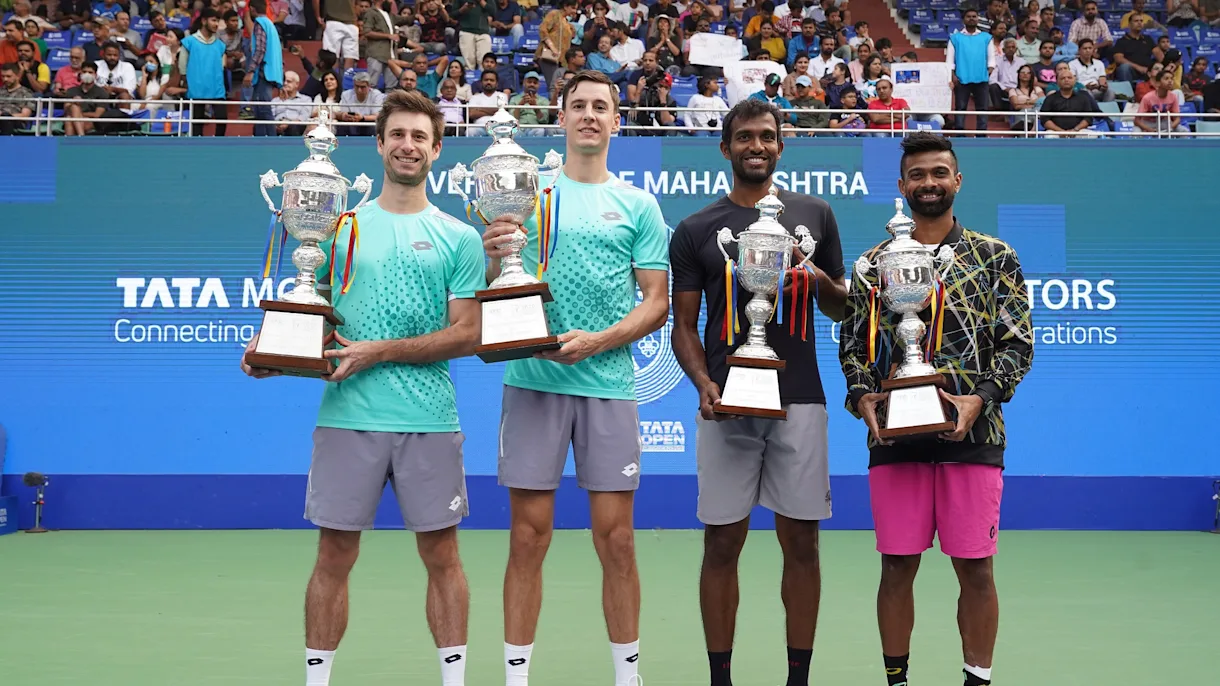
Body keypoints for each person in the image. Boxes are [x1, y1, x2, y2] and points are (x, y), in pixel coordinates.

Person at [240, 90, 486, 686]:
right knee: (333, 557)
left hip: (428, 418)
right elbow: (310, 313)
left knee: (443, 558)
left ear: (436, 148)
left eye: (419, 137)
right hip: (349, 417)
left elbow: (470, 334)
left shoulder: (460, 237)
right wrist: (273, 355)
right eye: (397, 135)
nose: (407, 146)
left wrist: (378, 351)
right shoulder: (335, 227)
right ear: (379, 145)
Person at [480, 69, 670, 686]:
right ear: (561, 118)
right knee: (528, 537)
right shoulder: (525, 195)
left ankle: (627, 675)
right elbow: (496, 283)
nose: (589, 115)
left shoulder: (638, 205)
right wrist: (490, 254)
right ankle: (516, 676)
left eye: (601, 107)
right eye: (578, 106)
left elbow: (656, 302)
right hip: (533, 381)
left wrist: (600, 342)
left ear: (617, 121)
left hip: (609, 385)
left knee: (616, 541)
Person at [838, 132, 1034, 686]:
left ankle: (977, 680)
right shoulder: (873, 264)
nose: (929, 183)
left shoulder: (996, 258)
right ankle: (897, 681)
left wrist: (981, 399)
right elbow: (852, 346)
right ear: (901, 186)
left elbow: (1018, 343)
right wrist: (862, 397)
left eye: (939, 173)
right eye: (918, 175)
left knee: (975, 568)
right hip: (895, 439)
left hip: (974, 437)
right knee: (896, 566)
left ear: (957, 180)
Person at [669, 97, 847, 686]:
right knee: (722, 542)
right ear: (726, 148)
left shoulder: (814, 215)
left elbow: (842, 308)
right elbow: (685, 327)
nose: (757, 146)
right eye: (744, 137)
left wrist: (813, 272)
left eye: (767, 137)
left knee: (803, 542)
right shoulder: (696, 230)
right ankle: (721, 678)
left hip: (799, 397)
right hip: (728, 403)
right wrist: (703, 384)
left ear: (781, 145)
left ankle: (798, 679)